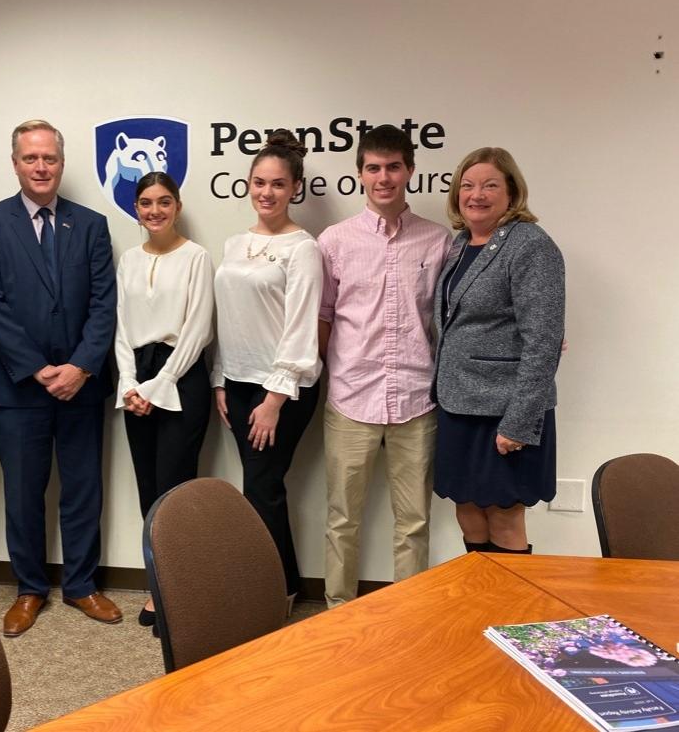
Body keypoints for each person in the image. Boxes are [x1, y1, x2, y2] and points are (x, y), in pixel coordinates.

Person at [0, 119, 120, 637]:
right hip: (17, 386)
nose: (40, 166)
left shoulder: (91, 225)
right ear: (15, 163)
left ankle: (81, 585)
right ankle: (29, 589)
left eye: (49, 158)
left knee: (83, 490)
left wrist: (80, 366)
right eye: (30, 158)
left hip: (81, 384)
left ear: (61, 163)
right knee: (23, 493)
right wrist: (36, 367)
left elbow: (104, 303)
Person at [317, 125, 451, 607]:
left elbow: (449, 318)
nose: (384, 177)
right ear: (360, 174)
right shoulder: (334, 241)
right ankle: (337, 611)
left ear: (410, 170)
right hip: (351, 400)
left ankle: (407, 617)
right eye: (373, 168)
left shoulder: (438, 241)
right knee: (342, 520)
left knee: (414, 522)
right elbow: (324, 317)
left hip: (416, 401)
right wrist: (337, 372)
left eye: (393, 167)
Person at [432, 147, 565, 554]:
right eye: (468, 186)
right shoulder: (461, 244)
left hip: (504, 410)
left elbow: (544, 342)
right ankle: (481, 593)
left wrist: (519, 422)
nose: (477, 195)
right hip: (459, 404)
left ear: (511, 192)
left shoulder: (530, 245)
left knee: (504, 517)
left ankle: (510, 597)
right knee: (468, 511)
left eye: (490, 185)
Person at [212, 130, 322, 608]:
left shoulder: (304, 248)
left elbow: (302, 327)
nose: (267, 192)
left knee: (261, 488)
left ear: (295, 187)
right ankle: (280, 582)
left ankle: (277, 591)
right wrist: (220, 378)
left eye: (278, 184)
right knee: (261, 488)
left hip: (282, 389)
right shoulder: (235, 243)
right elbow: (229, 315)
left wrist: (274, 398)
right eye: (259, 182)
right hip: (237, 382)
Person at [114, 172, 214, 630]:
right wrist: (129, 385)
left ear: (177, 206)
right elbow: (120, 328)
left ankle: (181, 592)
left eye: (164, 202)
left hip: (181, 376)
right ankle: (159, 587)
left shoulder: (196, 257)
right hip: (138, 380)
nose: (155, 210)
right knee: (148, 489)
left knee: (176, 490)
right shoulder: (129, 260)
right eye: (146, 203)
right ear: (136, 209)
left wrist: (159, 385)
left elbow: (198, 330)